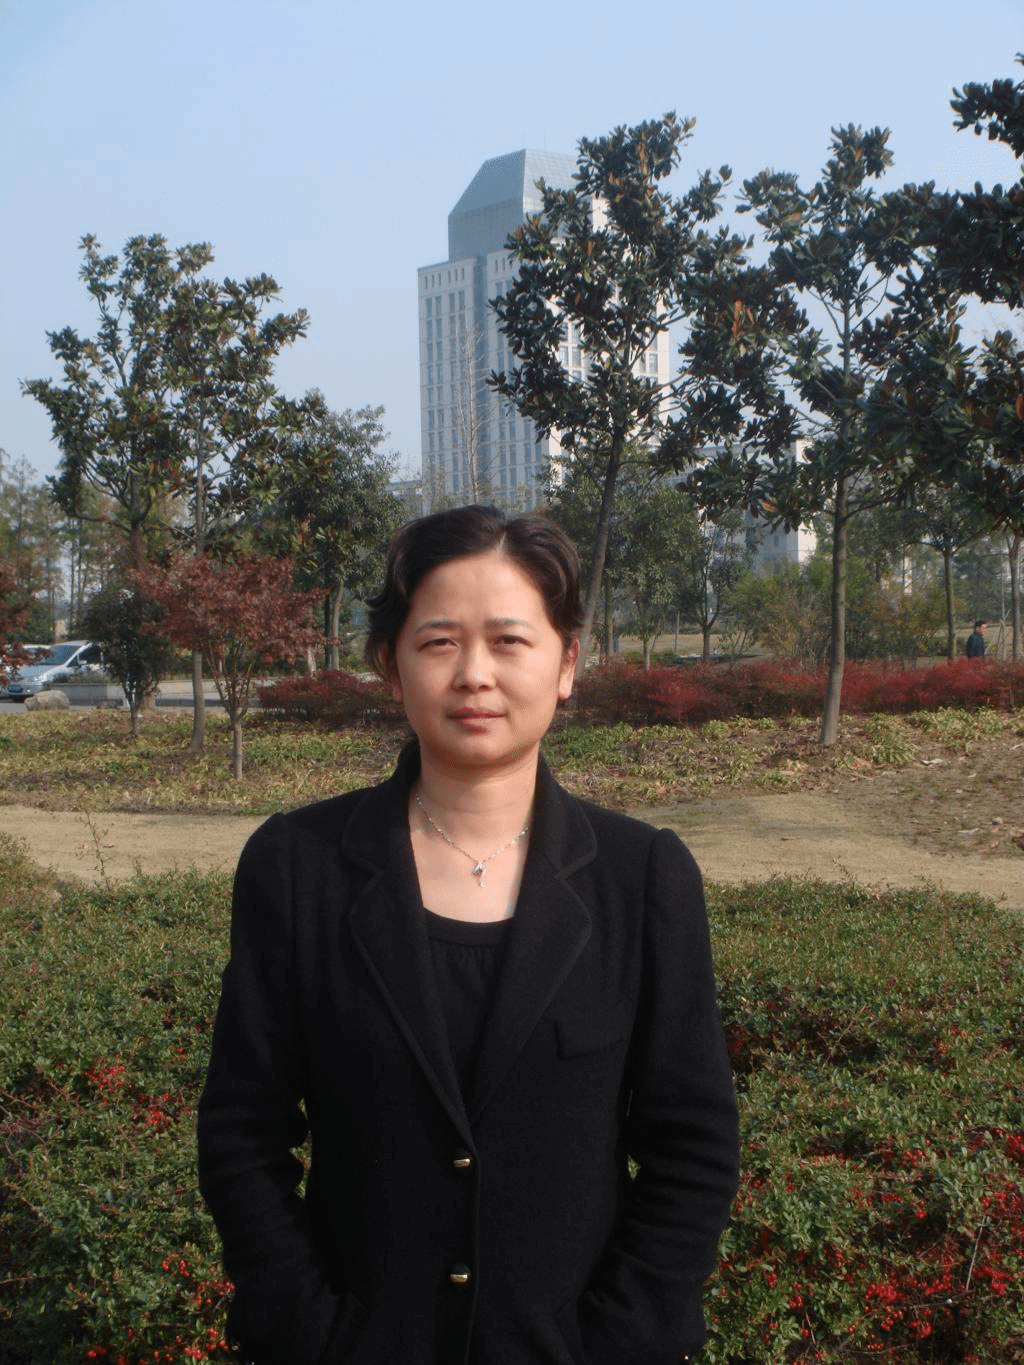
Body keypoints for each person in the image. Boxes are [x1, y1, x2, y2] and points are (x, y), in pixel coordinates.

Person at [198, 505, 739, 1365]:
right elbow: (242, 1129)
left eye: (510, 641)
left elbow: (693, 1146)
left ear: (567, 663)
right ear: (392, 664)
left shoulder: (641, 878)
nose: (474, 674)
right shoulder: (299, 867)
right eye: (440, 641)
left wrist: (613, 1343)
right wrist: (314, 1334)